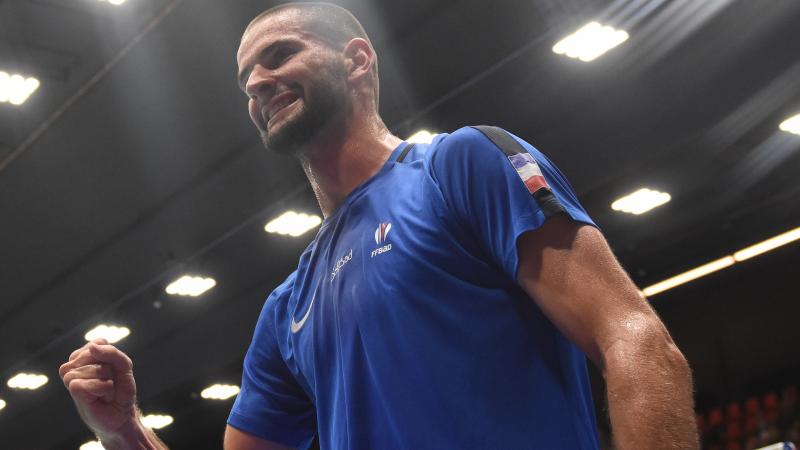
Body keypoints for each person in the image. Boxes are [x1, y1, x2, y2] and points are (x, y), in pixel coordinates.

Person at [58, 2, 699, 449]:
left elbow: (635, 340)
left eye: (280, 55)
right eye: (246, 77)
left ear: (358, 60)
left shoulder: (461, 164)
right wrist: (122, 430)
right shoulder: (288, 308)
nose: (257, 81)